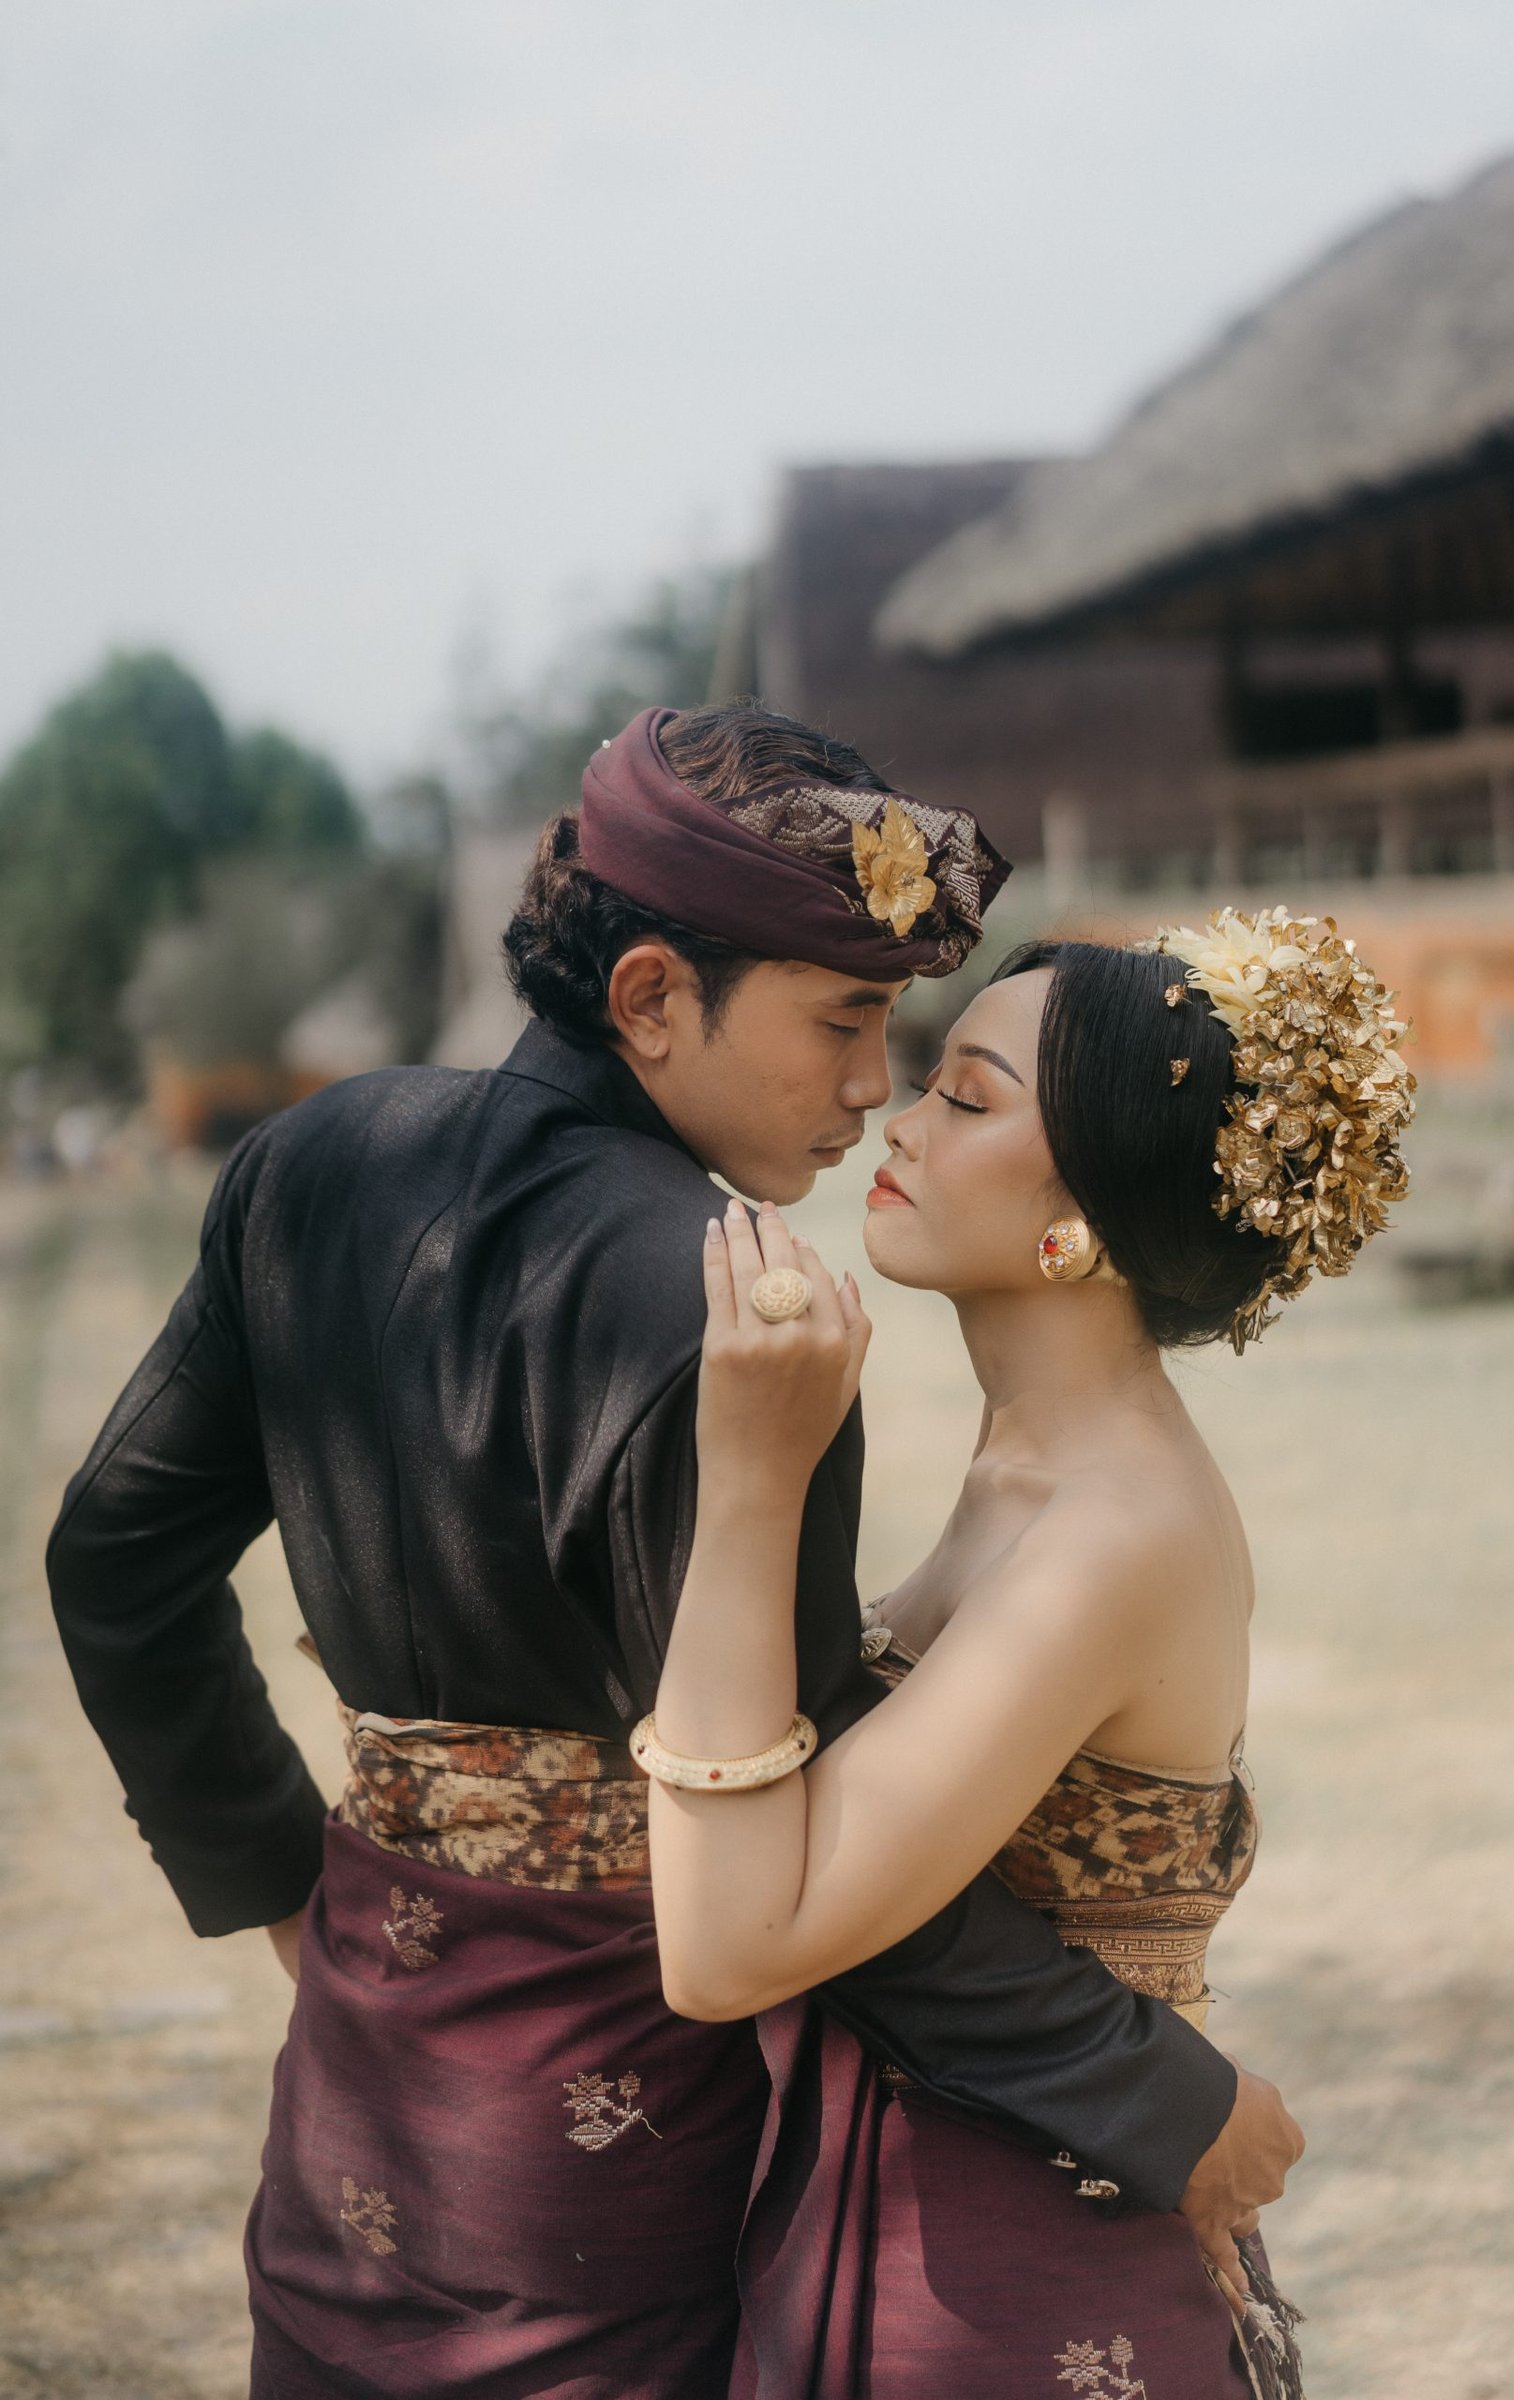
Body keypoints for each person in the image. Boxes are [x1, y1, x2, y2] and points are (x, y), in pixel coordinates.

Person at [47, 706, 1301, 2400]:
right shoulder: (726, 1309)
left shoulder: (309, 1165)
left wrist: (283, 1882)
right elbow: (812, 1856)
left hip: (365, 2045)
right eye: (844, 1018)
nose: (871, 1084)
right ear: (649, 995)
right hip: (619, 2090)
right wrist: (1157, 2096)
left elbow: (113, 1557)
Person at [641, 911, 1415, 2397]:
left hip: (1028, 2279)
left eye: (966, 1098)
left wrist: (746, 1481)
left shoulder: (1116, 1529)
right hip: (932, 2221)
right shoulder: (1033, 1471)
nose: (899, 1118)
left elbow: (729, 1945)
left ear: (1093, 1215)